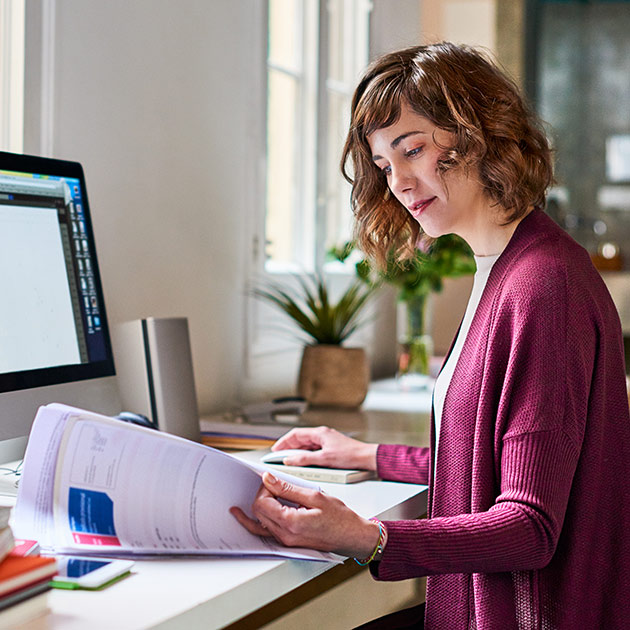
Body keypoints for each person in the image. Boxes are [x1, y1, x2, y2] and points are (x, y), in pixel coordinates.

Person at [231, 42, 630, 629]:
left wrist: (366, 537)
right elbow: (496, 461)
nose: (400, 181)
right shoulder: (505, 265)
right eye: (386, 166)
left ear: (480, 132)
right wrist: (367, 455)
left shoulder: (546, 287)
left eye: (412, 149)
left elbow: (530, 527)